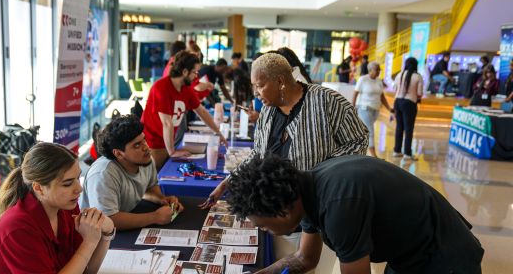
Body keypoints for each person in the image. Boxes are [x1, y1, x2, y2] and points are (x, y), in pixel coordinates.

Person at [226, 155, 484, 274]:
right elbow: (305, 259)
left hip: (445, 258)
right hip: (411, 254)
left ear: (281, 211)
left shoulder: (339, 205)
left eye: (262, 224)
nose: (263, 230)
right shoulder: (302, 190)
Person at [203, 52, 368, 206]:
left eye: (259, 86)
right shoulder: (268, 110)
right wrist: (227, 183)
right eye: (253, 86)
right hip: (276, 205)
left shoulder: (327, 101)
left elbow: (358, 140)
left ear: (280, 82)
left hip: (315, 205)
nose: (255, 93)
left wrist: (322, 173)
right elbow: (258, 154)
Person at [0, 142, 114, 273]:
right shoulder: (18, 228)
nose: (79, 189)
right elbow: (84, 257)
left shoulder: (66, 206)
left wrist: (106, 233)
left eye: (78, 178)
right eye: (67, 184)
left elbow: (85, 270)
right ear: (39, 188)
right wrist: (89, 243)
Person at [81, 115, 184, 230]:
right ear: (118, 153)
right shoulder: (103, 174)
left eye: (144, 140)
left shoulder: (146, 159)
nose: (146, 147)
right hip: (95, 234)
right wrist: (155, 217)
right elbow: (108, 220)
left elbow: (149, 188)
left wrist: (161, 198)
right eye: (137, 145)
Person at [141, 51, 227, 169]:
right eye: (194, 72)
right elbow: (167, 123)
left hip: (168, 142)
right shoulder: (161, 87)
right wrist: (172, 151)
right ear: (185, 71)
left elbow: (201, 111)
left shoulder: (186, 89)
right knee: (155, 181)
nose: (196, 76)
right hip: (152, 144)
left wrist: (218, 132)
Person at [352, 61, 393, 158]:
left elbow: (382, 96)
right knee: (370, 130)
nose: (379, 71)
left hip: (376, 109)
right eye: (376, 69)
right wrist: (352, 108)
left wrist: (389, 108)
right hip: (364, 108)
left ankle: (358, 149)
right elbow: (355, 93)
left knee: (364, 131)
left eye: (379, 69)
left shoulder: (379, 81)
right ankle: (374, 155)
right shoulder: (363, 79)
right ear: (370, 70)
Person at [393, 57, 423, 160]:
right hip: (409, 104)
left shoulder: (399, 75)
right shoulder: (418, 77)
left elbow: (394, 88)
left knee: (399, 127)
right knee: (409, 129)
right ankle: (407, 153)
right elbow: (419, 94)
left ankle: (396, 150)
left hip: (397, 101)